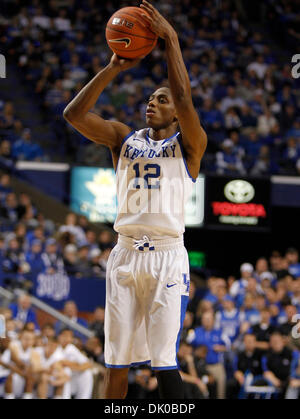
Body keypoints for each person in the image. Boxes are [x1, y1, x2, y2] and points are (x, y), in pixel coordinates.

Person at [63, 0, 207, 400]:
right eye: (150, 99)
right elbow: (73, 115)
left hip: (167, 256)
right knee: (116, 363)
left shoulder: (190, 145)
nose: (152, 103)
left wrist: (171, 39)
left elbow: (183, 96)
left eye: (161, 100)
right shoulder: (122, 138)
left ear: (177, 115)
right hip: (125, 254)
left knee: (164, 362)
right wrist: (112, 67)